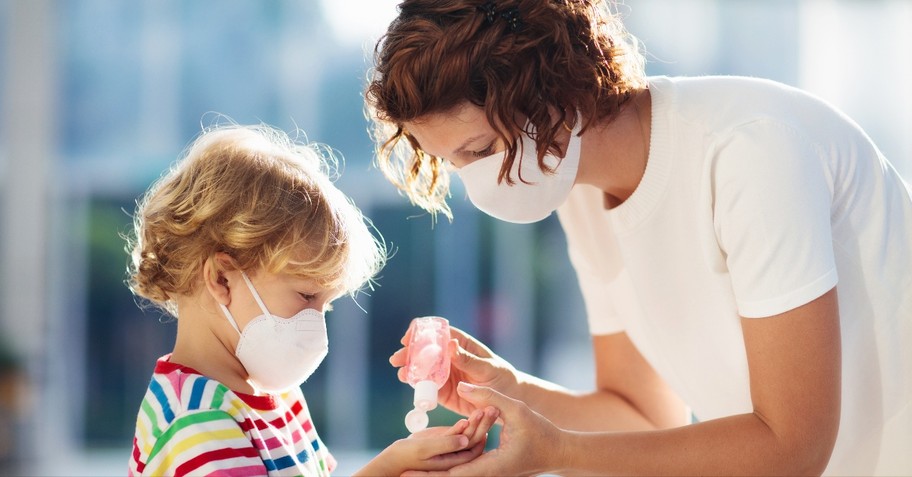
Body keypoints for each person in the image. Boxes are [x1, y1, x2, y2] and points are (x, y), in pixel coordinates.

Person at [364, 0, 912, 475]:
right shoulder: (577, 188)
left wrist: (561, 452)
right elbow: (642, 417)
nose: (474, 182)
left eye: (479, 150)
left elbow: (793, 448)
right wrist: (510, 392)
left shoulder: (749, 151)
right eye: (452, 163)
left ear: (549, 87)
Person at [124, 123, 499, 476]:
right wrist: (387, 468)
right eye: (306, 296)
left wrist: (407, 464)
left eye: (327, 304)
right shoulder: (195, 422)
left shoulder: (277, 395)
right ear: (222, 278)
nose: (316, 324)